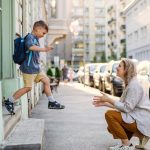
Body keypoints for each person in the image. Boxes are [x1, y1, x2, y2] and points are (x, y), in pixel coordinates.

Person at [4, 20, 65, 115]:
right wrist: (44, 49)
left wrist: (44, 48)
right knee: (28, 88)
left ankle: (51, 102)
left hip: (36, 68)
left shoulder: (35, 39)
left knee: (46, 81)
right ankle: (9, 100)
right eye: (43, 33)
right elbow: (30, 47)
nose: (43, 35)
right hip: (29, 68)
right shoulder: (30, 37)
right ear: (37, 29)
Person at [93, 58, 150, 150]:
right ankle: (139, 136)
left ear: (127, 69)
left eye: (119, 66)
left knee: (109, 115)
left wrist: (109, 99)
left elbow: (126, 108)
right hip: (136, 117)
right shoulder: (130, 83)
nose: (116, 68)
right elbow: (122, 104)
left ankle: (127, 144)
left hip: (141, 120)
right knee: (111, 127)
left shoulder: (134, 86)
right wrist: (106, 103)